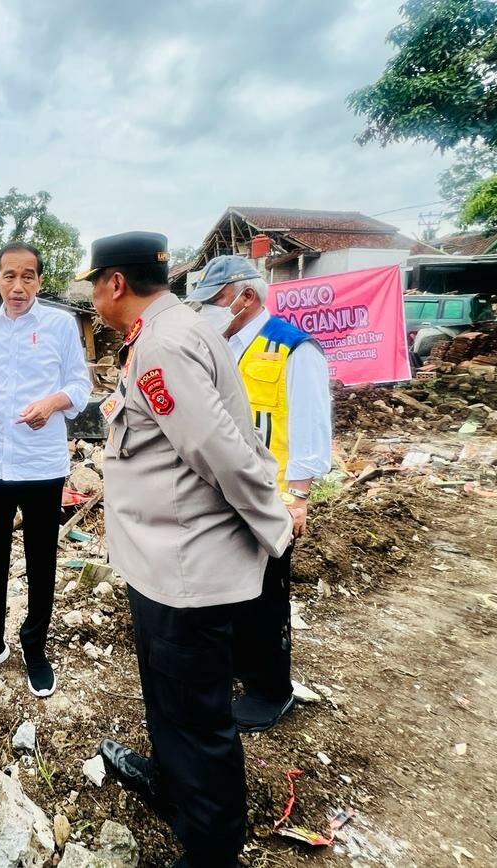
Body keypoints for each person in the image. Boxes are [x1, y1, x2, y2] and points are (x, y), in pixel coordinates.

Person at [84, 232, 293, 868]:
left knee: (196, 714)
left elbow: (220, 452)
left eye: (93, 285)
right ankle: (175, 785)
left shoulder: (163, 345)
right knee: (169, 698)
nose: (91, 299)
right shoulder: (166, 332)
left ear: (116, 283)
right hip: (161, 560)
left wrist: (274, 528)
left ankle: (212, 845)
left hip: (186, 566)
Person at [189, 255, 331, 732]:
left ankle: (272, 690)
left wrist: (298, 497)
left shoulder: (293, 348)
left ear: (246, 297)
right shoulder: (223, 348)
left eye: (215, 301)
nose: (208, 313)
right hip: (229, 489)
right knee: (233, 590)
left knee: (268, 596)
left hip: (272, 494)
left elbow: (310, 425)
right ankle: (241, 667)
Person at [0, 241, 91, 698]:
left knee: (41, 557)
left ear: (39, 281)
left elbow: (80, 386)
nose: (18, 286)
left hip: (42, 463)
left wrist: (53, 402)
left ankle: (35, 647)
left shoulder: (60, 325)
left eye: (28, 276)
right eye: (9, 276)